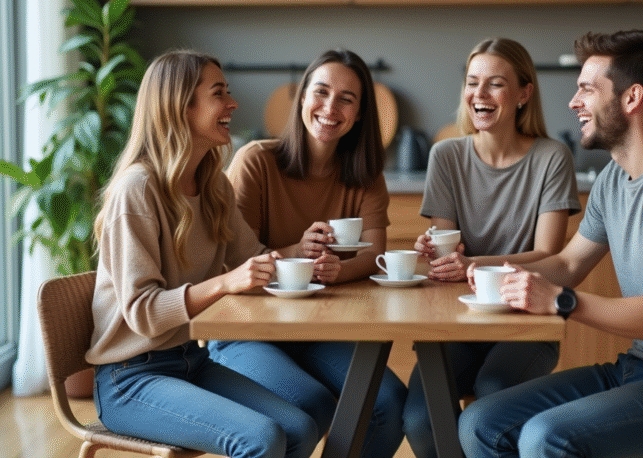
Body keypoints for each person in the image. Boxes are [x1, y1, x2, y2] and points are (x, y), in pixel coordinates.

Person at [458, 29, 643, 458]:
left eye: (586, 88)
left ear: (631, 98)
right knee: (480, 423)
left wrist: (562, 302)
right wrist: (495, 271)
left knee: (546, 438)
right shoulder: (613, 179)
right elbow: (567, 265)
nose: (573, 102)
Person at [87, 50, 318, 458]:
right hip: (130, 379)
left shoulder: (213, 186)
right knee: (262, 439)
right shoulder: (137, 190)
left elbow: (254, 259)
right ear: (181, 107)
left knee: (298, 428)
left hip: (189, 361)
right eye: (219, 93)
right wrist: (227, 282)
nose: (232, 103)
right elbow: (144, 313)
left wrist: (304, 255)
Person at [207, 49, 406, 458]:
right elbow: (228, 264)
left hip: (319, 331)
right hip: (248, 331)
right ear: (301, 98)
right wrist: (296, 251)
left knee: (389, 404)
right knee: (311, 404)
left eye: (347, 99)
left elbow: (374, 255)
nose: (330, 107)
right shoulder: (256, 163)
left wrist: (337, 270)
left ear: (359, 114)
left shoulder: (365, 176)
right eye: (321, 92)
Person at [402, 38, 580, 458]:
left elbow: (549, 257)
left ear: (523, 94)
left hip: (527, 319)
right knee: (419, 417)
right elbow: (447, 257)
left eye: (494, 84)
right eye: (472, 82)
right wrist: (436, 254)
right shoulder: (446, 156)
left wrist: (470, 262)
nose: (478, 95)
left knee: (494, 392)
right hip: (459, 321)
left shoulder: (552, 158)